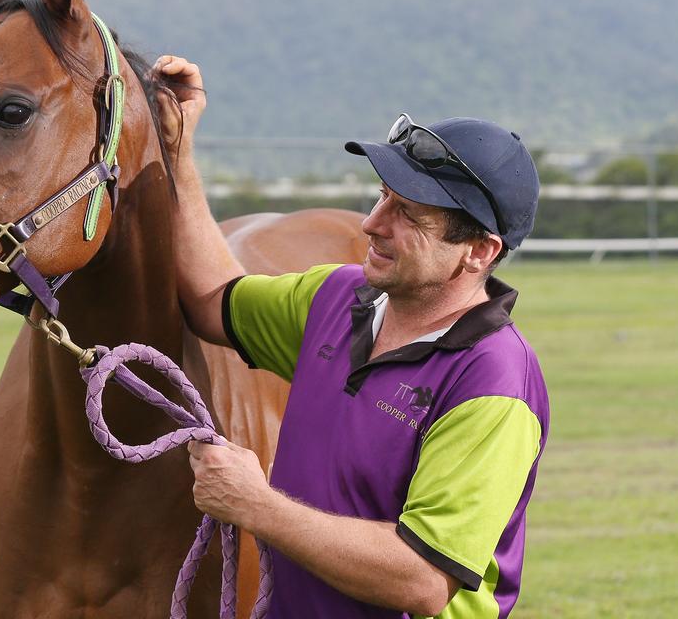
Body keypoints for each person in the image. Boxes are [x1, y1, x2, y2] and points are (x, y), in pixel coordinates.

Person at [153, 54, 550, 619]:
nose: (372, 223)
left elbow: (421, 581)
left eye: (410, 215)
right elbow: (213, 299)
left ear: (479, 251)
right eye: (382, 196)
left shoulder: (493, 384)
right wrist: (178, 149)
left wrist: (256, 505)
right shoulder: (336, 299)